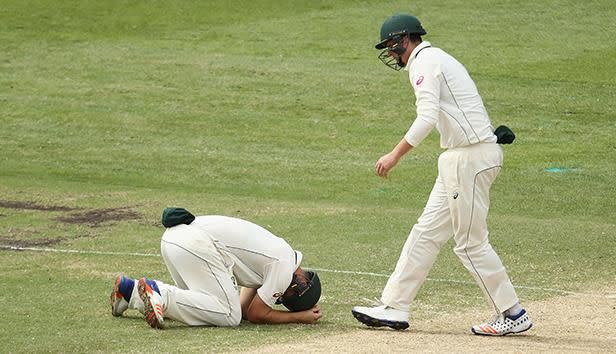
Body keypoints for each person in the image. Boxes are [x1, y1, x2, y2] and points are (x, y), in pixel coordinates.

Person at [351, 13, 532, 336]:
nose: (391, 53)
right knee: (426, 233)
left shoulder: (424, 62)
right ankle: (395, 306)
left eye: (392, 45)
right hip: (459, 159)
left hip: (471, 159)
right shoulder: (433, 59)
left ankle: (512, 312)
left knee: (469, 244)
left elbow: (426, 117)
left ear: (406, 39)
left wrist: (394, 155)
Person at [110, 207, 322, 329]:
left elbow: (247, 309)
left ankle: (130, 291)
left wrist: (261, 310)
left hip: (173, 239)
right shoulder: (284, 267)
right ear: (299, 284)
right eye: (286, 296)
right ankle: (160, 294)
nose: (280, 297)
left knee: (205, 304)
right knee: (228, 316)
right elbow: (256, 314)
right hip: (194, 244)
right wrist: (298, 317)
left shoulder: (278, 255)